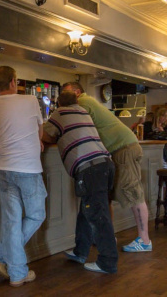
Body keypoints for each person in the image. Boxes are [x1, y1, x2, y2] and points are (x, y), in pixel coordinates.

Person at [61, 82, 153, 253]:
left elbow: (73, 125)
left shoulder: (83, 102)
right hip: (117, 149)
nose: (63, 96)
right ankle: (108, 237)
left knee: (133, 192)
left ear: (77, 92)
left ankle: (145, 240)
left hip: (123, 148)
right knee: (107, 195)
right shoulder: (87, 102)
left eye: (65, 92)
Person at [41, 91, 118, 274]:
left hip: (90, 168)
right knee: (87, 209)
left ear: (59, 104)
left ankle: (107, 262)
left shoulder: (60, 113)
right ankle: (80, 251)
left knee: (98, 215)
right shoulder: (83, 112)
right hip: (105, 164)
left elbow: (46, 135)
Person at [0, 66, 47, 287]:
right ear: (13, 81)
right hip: (28, 168)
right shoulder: (30, 100)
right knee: (36, 215)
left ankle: (18, 273)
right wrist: (36, 141)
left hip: (4, 167)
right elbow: (40, 131)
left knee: (12, 222)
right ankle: (0, 253)